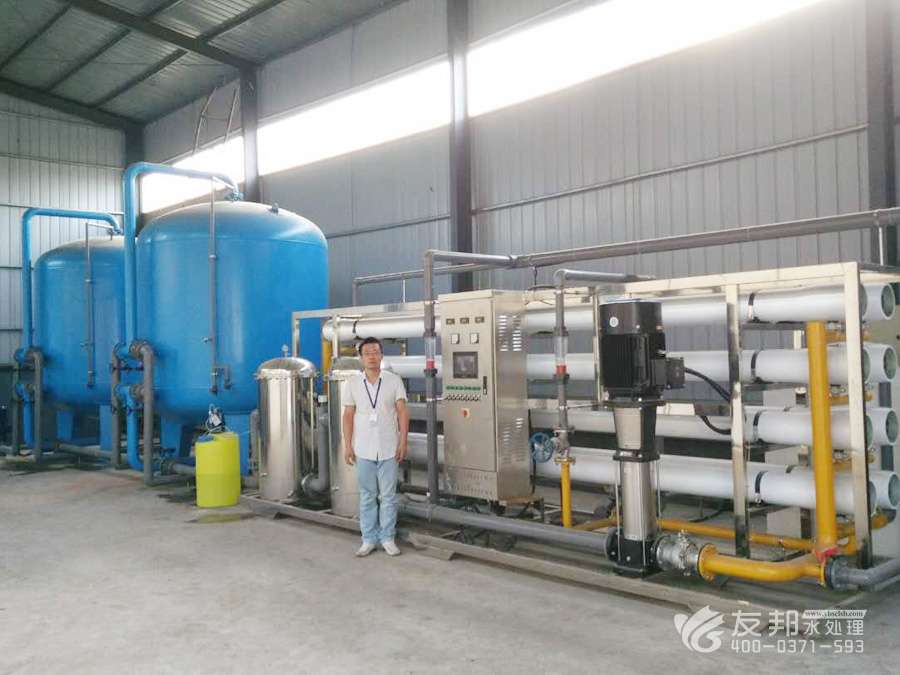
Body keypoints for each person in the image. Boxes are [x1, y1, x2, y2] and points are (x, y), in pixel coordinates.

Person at [342, 336, 409, 557]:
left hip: (389, 447)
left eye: (375, 352)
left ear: (381, 355)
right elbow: (348, 416)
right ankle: (368, 539)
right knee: (367, 495)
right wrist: (347, 445)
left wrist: (403, 441)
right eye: (367, 353)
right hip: (363, 448)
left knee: (388, 496)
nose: (372, 357)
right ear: (361, 358)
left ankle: (388, 538)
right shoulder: (353, 383)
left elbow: (402, 412)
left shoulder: (393, 381)